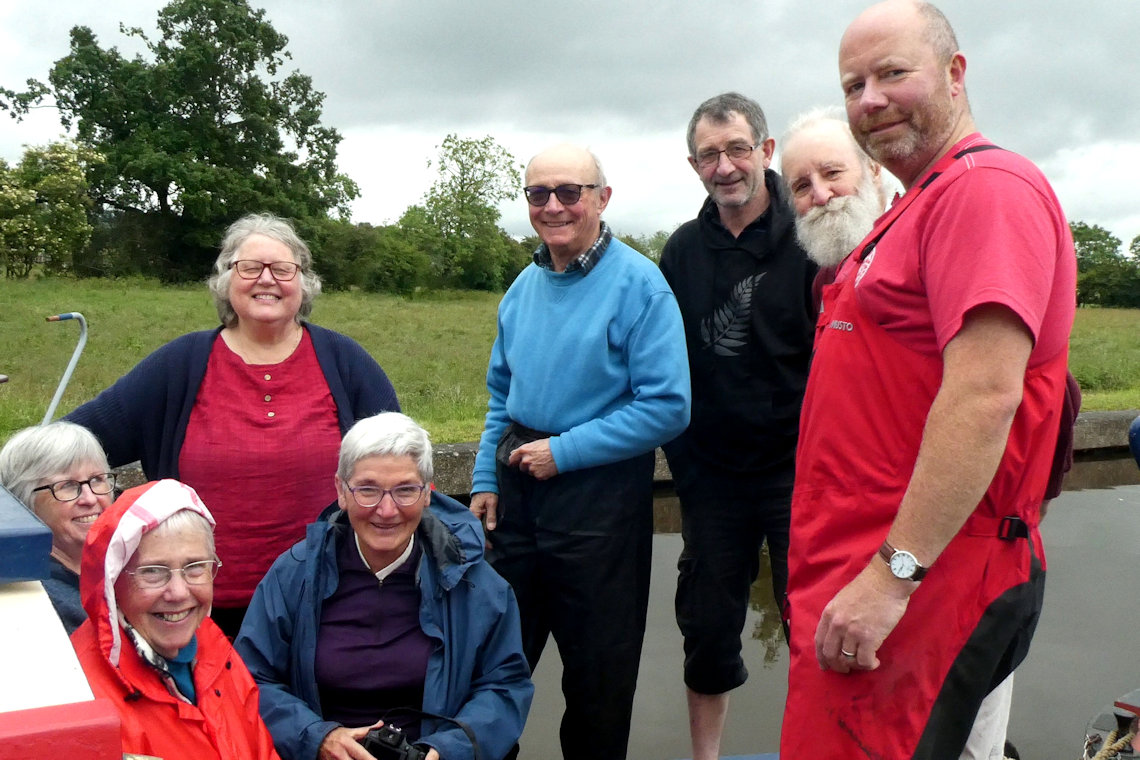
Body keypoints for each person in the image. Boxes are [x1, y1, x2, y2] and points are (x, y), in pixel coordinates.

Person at [780, 3, 1078, 758]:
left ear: (954, 72)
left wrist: (891, 576)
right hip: (864, 564)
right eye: (854, 85)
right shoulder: (916, 205)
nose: (869, 100)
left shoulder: (986, 192)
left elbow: (985, 396)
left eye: (892, 73)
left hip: (925, 580)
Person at [66, 212, 400, 637]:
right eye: (249, 268)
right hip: (192, 613)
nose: (267, 279)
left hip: (323, 607)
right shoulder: (179, 365)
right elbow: (73, 445)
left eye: (283, 269)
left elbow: (402, 468)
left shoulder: (346, 362)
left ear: (304, 282)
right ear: (226, 279)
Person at [468, 143, 690, 760]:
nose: (554, 206)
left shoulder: (641, 286)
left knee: (599, 674)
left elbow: (667, 406)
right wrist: (485, 476)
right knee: (492, 660)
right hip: (518, 488)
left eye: (569, 192)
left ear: (602, 198)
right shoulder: (523, 286)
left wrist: (562, 452)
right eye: (539, 194)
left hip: (598, 495)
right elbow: (501, 395)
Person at [657, 93, 817, 760]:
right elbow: (663, 363)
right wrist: (686, 463)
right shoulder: (683, 251)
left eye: (737, 149)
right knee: (707, 627)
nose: (724, 167)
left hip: (797, 472)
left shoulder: (814, 235)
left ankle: (816, 750)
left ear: (766, 151)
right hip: (713, 475)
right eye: (708, 155)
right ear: (693, 164)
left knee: (811, 621)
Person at [236, 412, 532, 760]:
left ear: (427, 495)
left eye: (405, 490)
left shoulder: (477, 584)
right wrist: (317, 738)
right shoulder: (294, 575)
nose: (387, 510)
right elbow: (250, 680)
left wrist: (445, 751)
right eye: (368, 490)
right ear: (341, 492)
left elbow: (505, 686)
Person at [71, 478, 280, 760]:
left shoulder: (215, 648)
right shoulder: (81, 697)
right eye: (153, 572)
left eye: (195, 567)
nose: (179, 593)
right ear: (113, 583)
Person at [0, 420, 114, 633]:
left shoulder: (133, 562)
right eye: (68, 486)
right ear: (23, 503)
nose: (90, 499)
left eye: (97, 479)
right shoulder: (47, 603)